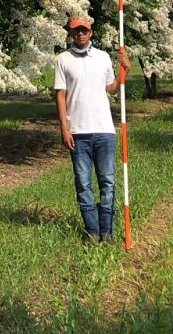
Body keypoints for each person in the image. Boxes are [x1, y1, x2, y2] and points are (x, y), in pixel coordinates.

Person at [54, 15, 132, 243]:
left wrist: (124, 70)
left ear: (91, 32)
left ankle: (106, 232)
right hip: (77, 132)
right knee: (83, 183)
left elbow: (112, 88)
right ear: (71, 33)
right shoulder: (62, 59)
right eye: (76, 30)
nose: (80, 34)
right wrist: (64, 127)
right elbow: (60, 94)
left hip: (104, 131)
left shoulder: (103, 57)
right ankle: (92, 231)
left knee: (107, 182)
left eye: (84, 30)